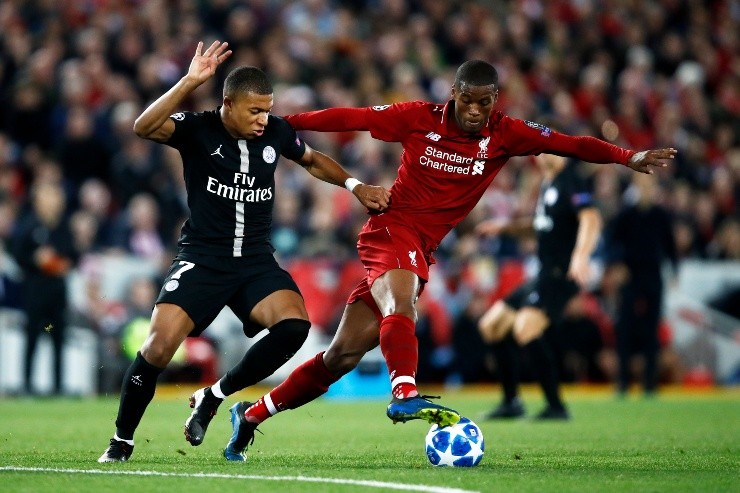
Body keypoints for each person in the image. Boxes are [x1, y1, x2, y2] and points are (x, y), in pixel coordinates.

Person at [190, 59, 675, 461]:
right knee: (405, 302)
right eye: (469, 100)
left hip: (422, 246)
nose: (477, 110)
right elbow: (352, 117)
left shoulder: (507, 134)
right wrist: (287, 124)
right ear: (454, 95)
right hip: (390, 229)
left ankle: (250, 414)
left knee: (341, 356)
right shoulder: (418, 117)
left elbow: (568, 143)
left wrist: (626, 156)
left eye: (487, 102)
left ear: (495, 101)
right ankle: (404, 392)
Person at [97, 40, 391, 463]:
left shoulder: (275, 132)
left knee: (294, 327)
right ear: (228, 103)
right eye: (254, 110)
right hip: (203, 257)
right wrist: (189, 80)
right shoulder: (198, 128)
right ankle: (121, 441)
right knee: (158, 348)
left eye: (267, 109)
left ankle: (214, 396)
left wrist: (355, 186)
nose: (263, 119)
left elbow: (310, 160)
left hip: (254, 260)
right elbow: (143, 127)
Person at [475, 153, 603, 420]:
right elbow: (540, 227)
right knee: (493, 325)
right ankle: (512, 403)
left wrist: (581, 255)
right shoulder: (548, 183)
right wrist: (505, 228)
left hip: (560, 275)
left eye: (547, 147)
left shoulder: (571, 180)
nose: (541, 153)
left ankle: (556, 406)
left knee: (525, 328)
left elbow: (591, 219)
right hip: (543, 274)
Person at [605, 173, 677, 396]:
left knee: (651, 329)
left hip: (652, 275)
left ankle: (649, 383)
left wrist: (675, 271)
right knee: (625, 328)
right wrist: (617, 265)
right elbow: (612, 241)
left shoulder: (660, 215)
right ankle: (623, 382)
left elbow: (670, 245)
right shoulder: (626, 215)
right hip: (631, 276)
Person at [12, 180, 77, 395]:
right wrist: (35, 259)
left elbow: (74, 255)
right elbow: (18, 254)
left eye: (56, 198)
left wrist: (63, 262)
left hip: (57, 290)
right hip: (35, 290)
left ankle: (58, 386)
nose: (53, 203)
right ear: (38, 201)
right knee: (32, 338)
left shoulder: (63, 227)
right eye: (48, 197)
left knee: (59, 338)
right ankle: (27, 385)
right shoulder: (28, 225)